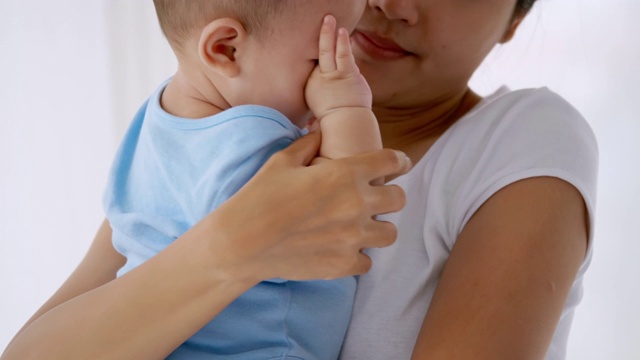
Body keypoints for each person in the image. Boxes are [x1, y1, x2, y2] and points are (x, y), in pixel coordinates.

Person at [2, 0, 598, 359]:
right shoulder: (221, 125)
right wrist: (231, 248)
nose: (389, 3)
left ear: (514, 20)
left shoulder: (521, 135)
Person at [102, 0, 380, 358]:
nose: (337, 73)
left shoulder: (154, 119)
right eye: (318, 61)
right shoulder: (249, 139)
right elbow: (353, 209)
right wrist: (347, 109)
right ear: (225, 49)